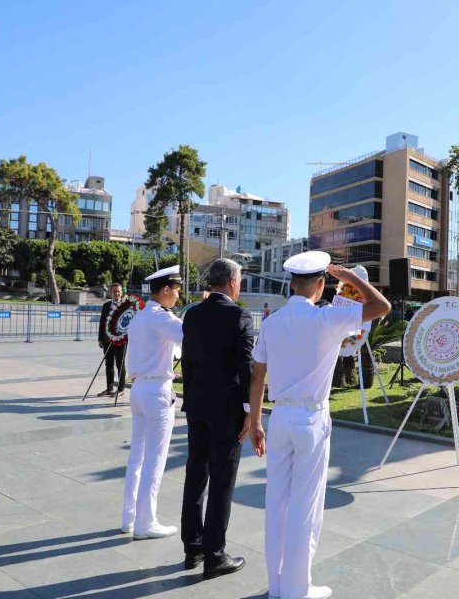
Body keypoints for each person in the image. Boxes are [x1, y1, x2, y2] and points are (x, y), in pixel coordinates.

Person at [248, 251, 391, 599]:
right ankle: (297, 588)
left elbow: (257, 378)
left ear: (292, 284)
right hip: (310, 417)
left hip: (278, 416)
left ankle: (277, 585)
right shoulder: (328, 319)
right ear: (320, 284)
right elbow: (381, 307)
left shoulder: (271, 322)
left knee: (277, 500)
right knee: (305, 504)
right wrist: (352, 277)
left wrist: (255, 422)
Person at [180, 258, 253, 579]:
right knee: (222, 481)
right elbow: (246, 367)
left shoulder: (192, 314)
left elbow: (187, 363)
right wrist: (252, 411)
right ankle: (215, 555)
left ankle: (192, 547)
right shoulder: (239, 315)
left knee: (196, 473)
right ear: (233, 282)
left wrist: (191, 398)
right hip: (227, 411)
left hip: (196, 405)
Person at [121, 265, 184, 540]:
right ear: (166, 289)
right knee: (155, 459)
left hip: (138, 389)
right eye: (177, 290)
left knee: (137, 456)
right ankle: (147, 522)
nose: (178, 296)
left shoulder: (139, 317)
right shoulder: (162, 318)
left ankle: (130, 518)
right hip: (157, 391)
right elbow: (192, 338)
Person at [98, 283, 126, 397]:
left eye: (118, 291)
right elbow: (102, 323)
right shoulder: (106, 306)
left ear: (121, 292)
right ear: (111, 292)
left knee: (120, 364)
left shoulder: (125, 306)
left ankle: (121, 389)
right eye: (114, 291)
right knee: (108, 364)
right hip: (107, 340)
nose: (117, 293)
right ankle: (109, 388)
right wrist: (100, 338)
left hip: (120, 340)